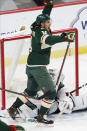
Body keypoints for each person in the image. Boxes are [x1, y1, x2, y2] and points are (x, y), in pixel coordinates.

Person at [8, 0, 74, 124]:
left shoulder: (35, 26)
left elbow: (43, 15)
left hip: (31, 66)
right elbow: (49, 39)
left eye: (50, 22)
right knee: (51, 92)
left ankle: (13, 108)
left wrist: (48, 6)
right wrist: (63, 37)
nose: (49, 24)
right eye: (47, 22)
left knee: (31, 91)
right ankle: (41, 116)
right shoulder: (41, 33)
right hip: (38, 68)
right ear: (42, 24)